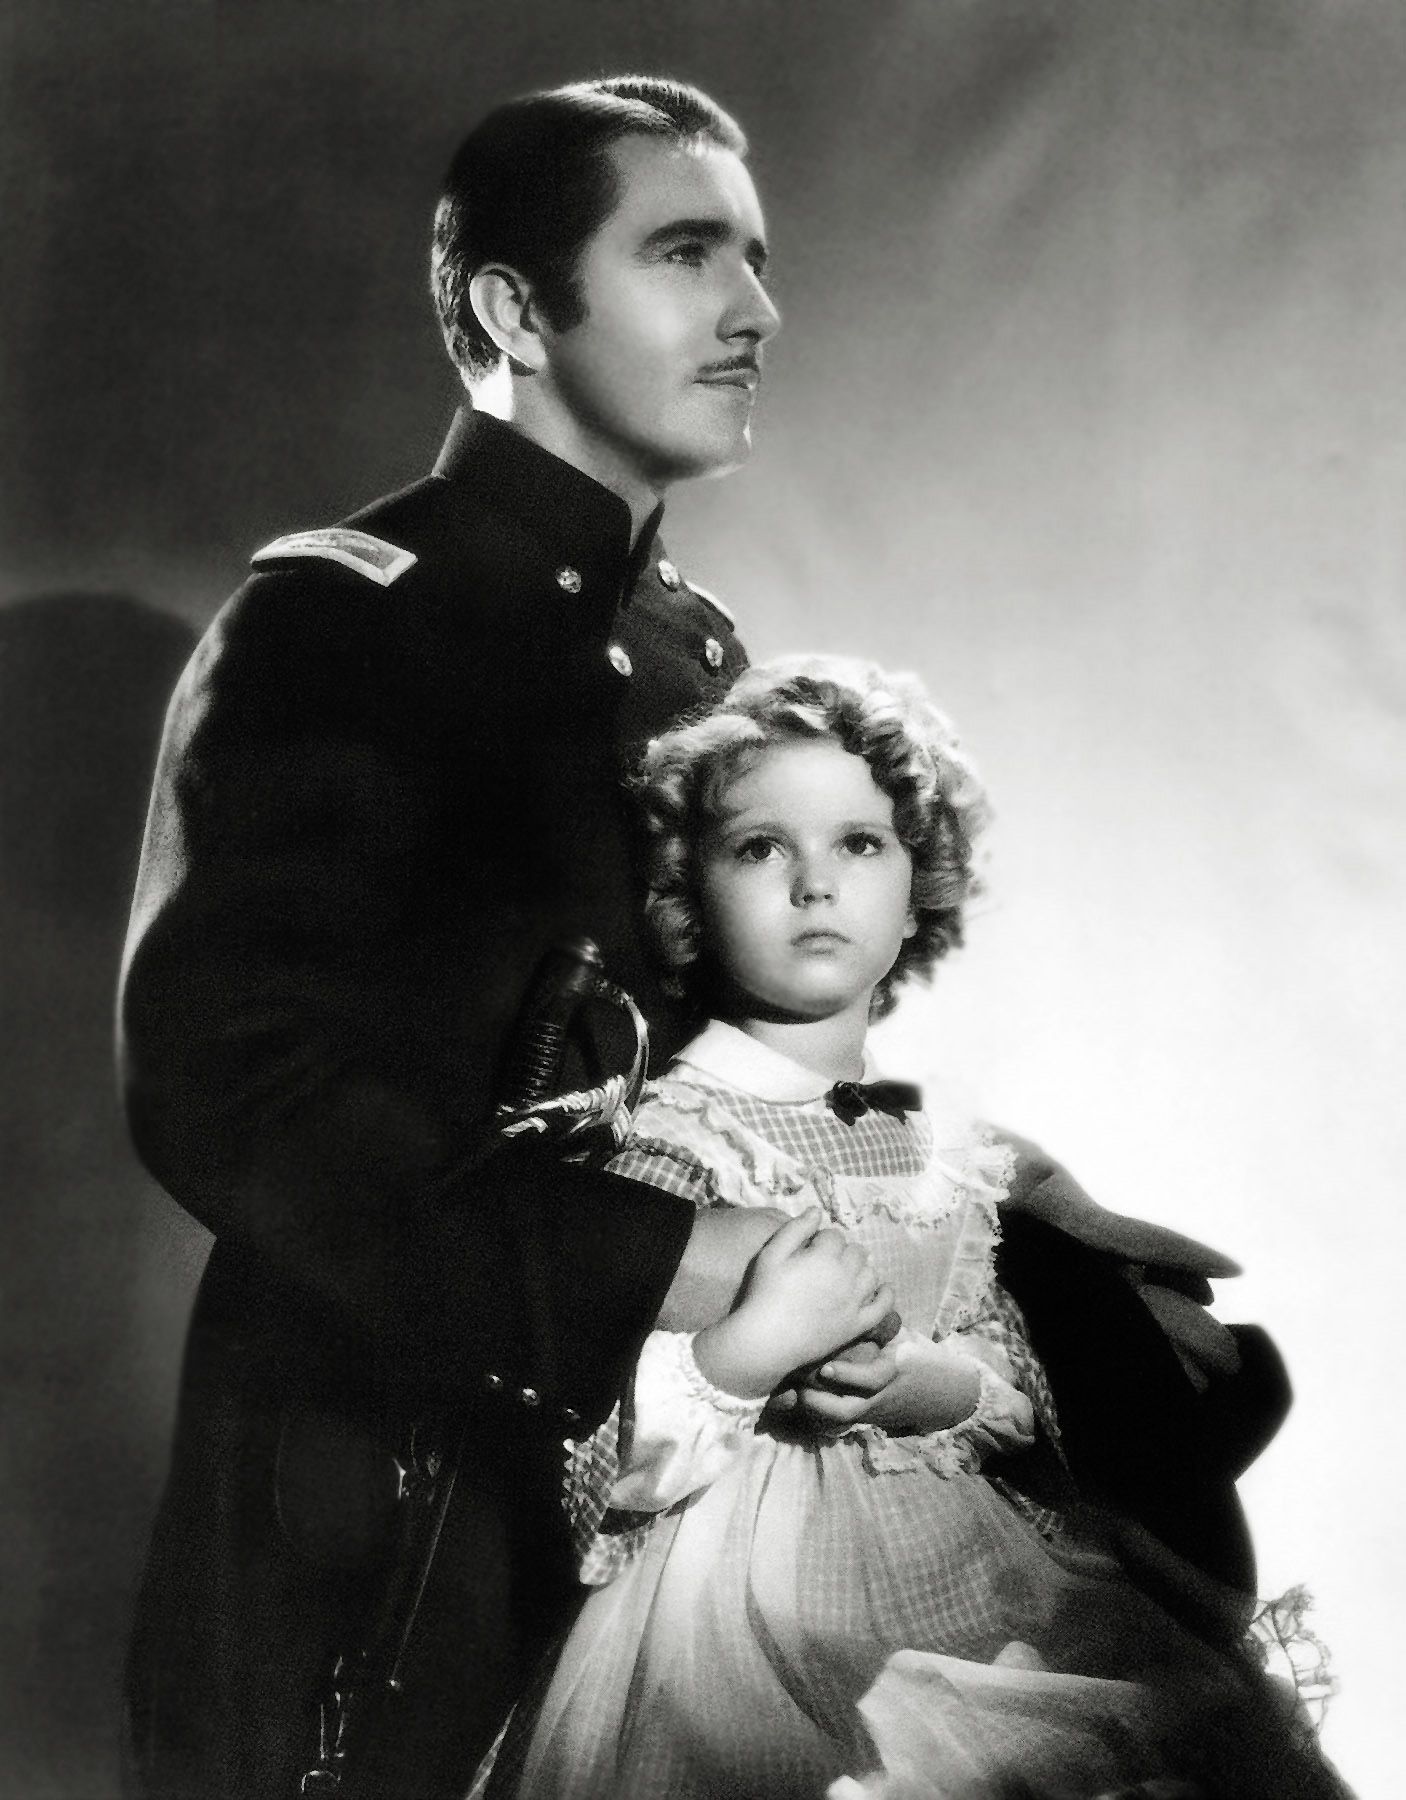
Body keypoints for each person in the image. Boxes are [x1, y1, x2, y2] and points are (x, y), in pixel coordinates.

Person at [120, 70, 1272, 1800]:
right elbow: (229, 1088)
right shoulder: (343, 623)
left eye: (757, 257)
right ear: (514, 311)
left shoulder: (691, 653)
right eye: (685, 254)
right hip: (411, 1502)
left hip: (728, 1496)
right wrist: (675, 1262)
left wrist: (969, 1212)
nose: (755, 310)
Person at [478, 658, 1348, 1800]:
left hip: (972, 1570)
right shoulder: (666, 1139)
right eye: (759, 848)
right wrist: (744, 1357)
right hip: (732, 1618)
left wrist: (928, 1384)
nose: (814, 885)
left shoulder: (945, 1154)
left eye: (858, 844)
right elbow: (585, 1466)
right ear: (685, 894)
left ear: (915, 882)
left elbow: (1013, 1395)